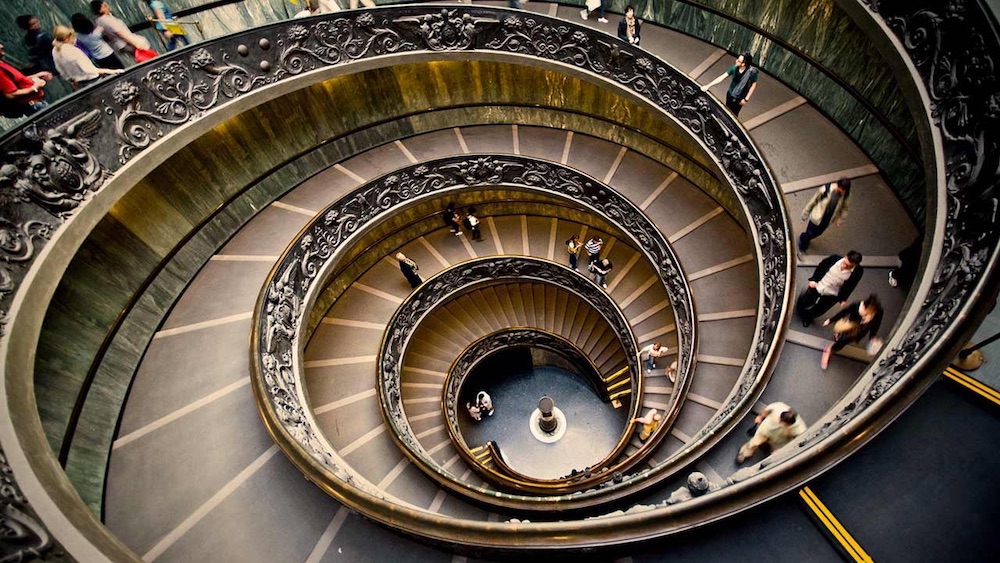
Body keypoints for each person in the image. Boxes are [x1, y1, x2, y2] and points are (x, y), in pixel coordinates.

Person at [796, 251, 864, 327]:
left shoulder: (858, 271)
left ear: (855, 264)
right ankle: (801, 306)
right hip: (819, 285)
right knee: (808, 300)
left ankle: (808, 317)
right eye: (844, 262)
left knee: (820, 309)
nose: (844, 266)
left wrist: (843, 298)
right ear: (845, 256)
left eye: (848, 266)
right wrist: (814, 279)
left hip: (833, 293)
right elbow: (821, 267)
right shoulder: (834, 258)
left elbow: (851, 285)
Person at [821, 294, 884, 369]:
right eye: (868, 310)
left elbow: (876, 325)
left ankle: (836, 341)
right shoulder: (857, 306)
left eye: (872, 311)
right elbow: (844, 312)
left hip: (859, 331)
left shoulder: (878, 312)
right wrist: (831, 320)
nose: (869, 313)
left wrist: (872, 336)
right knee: (842, 341)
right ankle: (829, 350)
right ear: (865, 306)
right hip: (851, 326)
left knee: (847, 340)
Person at [51, 26, 124, 90]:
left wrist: (72, 80)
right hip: (92, 81)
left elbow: (61, 70)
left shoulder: (55, 51)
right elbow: (89, 69)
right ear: (66, 38)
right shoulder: (73, 51)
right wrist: (111, 71)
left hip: (79, 83)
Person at [736, 402, 806, 464]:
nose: (780, 422)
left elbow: (801, 438)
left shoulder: (798, 428)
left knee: (777, 455)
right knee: (754, 442)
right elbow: (768, 409)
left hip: (779, 441)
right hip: (766, 430)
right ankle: (745, 453)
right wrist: (760, 417)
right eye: (780, 419)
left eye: (783, 422)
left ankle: (769, 464)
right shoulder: (779, 407)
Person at [798, 178, 851, 253]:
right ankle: (803, 244)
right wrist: (806, 212)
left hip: (828, 219)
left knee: (817, 233)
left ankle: (805, 237)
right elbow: (813, 200)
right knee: (810, 232)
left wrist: (841, 218)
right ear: (837, 185)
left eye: (843, 190)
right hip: (817, 216)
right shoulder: (825, 190)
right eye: (840, 188)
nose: (841, 191)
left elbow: (845, 208)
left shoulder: (846, 195)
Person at [0, 42, 52, 118]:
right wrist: (34, 87)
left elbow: (18, 81)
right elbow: (10, 94)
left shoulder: (2, 64)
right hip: (34, 106)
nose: (1, 46)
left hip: (39, 102)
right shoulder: (0, 72)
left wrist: (36, 75)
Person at [700, 52, 759, 116]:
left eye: (739, 61)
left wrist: (746, 99)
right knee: (727, 110)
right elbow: (722, 77)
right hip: (730, 93)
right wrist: (708, 86)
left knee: (734, 113)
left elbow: (753, 85)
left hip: (740, 98)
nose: (736, 61)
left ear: (743, 64)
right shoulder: (734, 68)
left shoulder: (751, 73)